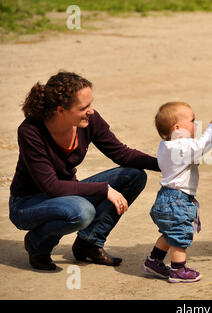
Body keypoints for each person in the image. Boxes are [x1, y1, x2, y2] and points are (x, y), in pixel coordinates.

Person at [9, 71, 160, 271]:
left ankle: (89, 243)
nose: (91, 111)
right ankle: (38, 244)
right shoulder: (30, 131)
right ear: (61, 110)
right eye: (84, 107)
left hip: (67, 194)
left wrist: (167, 164)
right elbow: (51, 186)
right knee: (81, 212)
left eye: (91, 104)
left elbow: (122, 154)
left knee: (133, 175)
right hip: (27, 204)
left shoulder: (88, 121)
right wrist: (104, 189)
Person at [142, 101, 212, 283]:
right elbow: (201, 146)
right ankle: (178, 270)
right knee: (179, 234)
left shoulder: (166, 145)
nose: (195, 124)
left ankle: (153, 261)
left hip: (166, 197)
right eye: (192, 120)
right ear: (177, 128)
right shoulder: (181, 147)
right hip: (177, 200)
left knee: (169, 233)